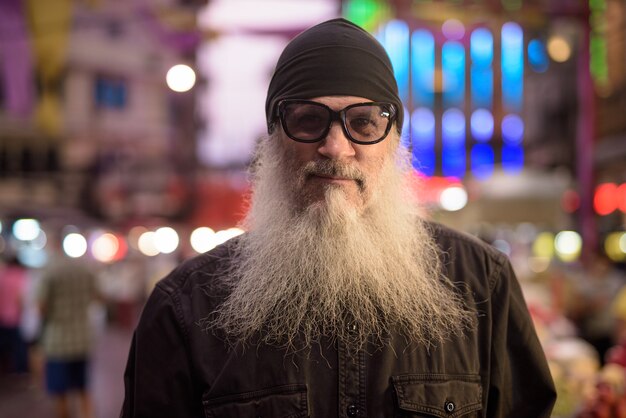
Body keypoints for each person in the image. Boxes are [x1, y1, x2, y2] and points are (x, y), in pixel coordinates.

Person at [121, 18, 556, 417]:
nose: (334, 147)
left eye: (363, 123)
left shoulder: (483, 284)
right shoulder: (183, 309)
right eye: (308, 120)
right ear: (273, 139)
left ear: (393, 141)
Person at [37, 255, 98, 418]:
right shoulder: (86, 271)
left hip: (57, 340)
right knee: (83, 388)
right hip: (82, 337)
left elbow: (41, 306)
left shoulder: (50, 272)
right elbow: (98, 296)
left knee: (60, 392)